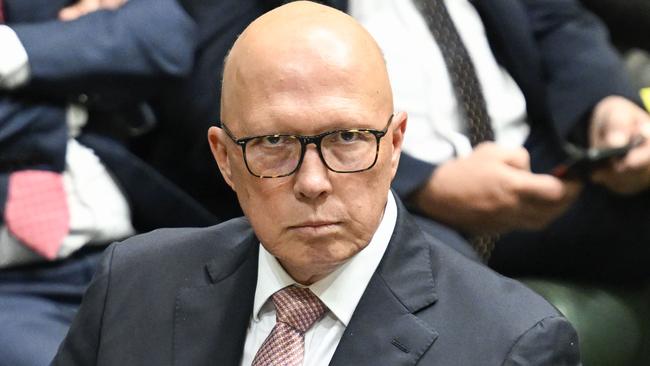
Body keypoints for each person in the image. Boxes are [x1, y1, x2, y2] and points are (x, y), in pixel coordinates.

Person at [53, 2, 580, 365]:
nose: (312, 182)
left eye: (347, 138)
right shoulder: (132, 285)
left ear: (395, 144)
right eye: (274, 142)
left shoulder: (510, 344)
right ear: (224, 158)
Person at [346, 0, 650, 281]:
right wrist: (424, 185)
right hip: (393, 192)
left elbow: (556, 21)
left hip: (531, 160)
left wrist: (605, 105)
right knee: (451, 286)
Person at [0, 0, 216, 364]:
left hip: (132, 252)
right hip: (14, 287)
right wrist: (67, 95)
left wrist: (11, 49)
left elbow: (161, 36)